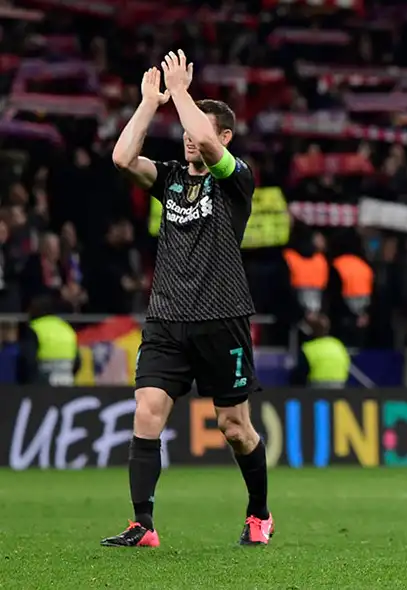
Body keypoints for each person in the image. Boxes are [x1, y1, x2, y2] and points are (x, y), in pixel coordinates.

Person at [102, 51, 272, 548]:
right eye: (183, 131)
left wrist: (180, 91)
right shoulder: (172, 179)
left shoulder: (237, 181)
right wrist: (149, 103)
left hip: (222, 318)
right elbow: (121, 158)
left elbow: (200, 136)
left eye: (198, 131)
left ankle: (259, 513)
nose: (188, 138)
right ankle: (143, 524)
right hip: (166, 318)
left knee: (234, 427)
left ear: (224, 139)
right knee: (147, 411)